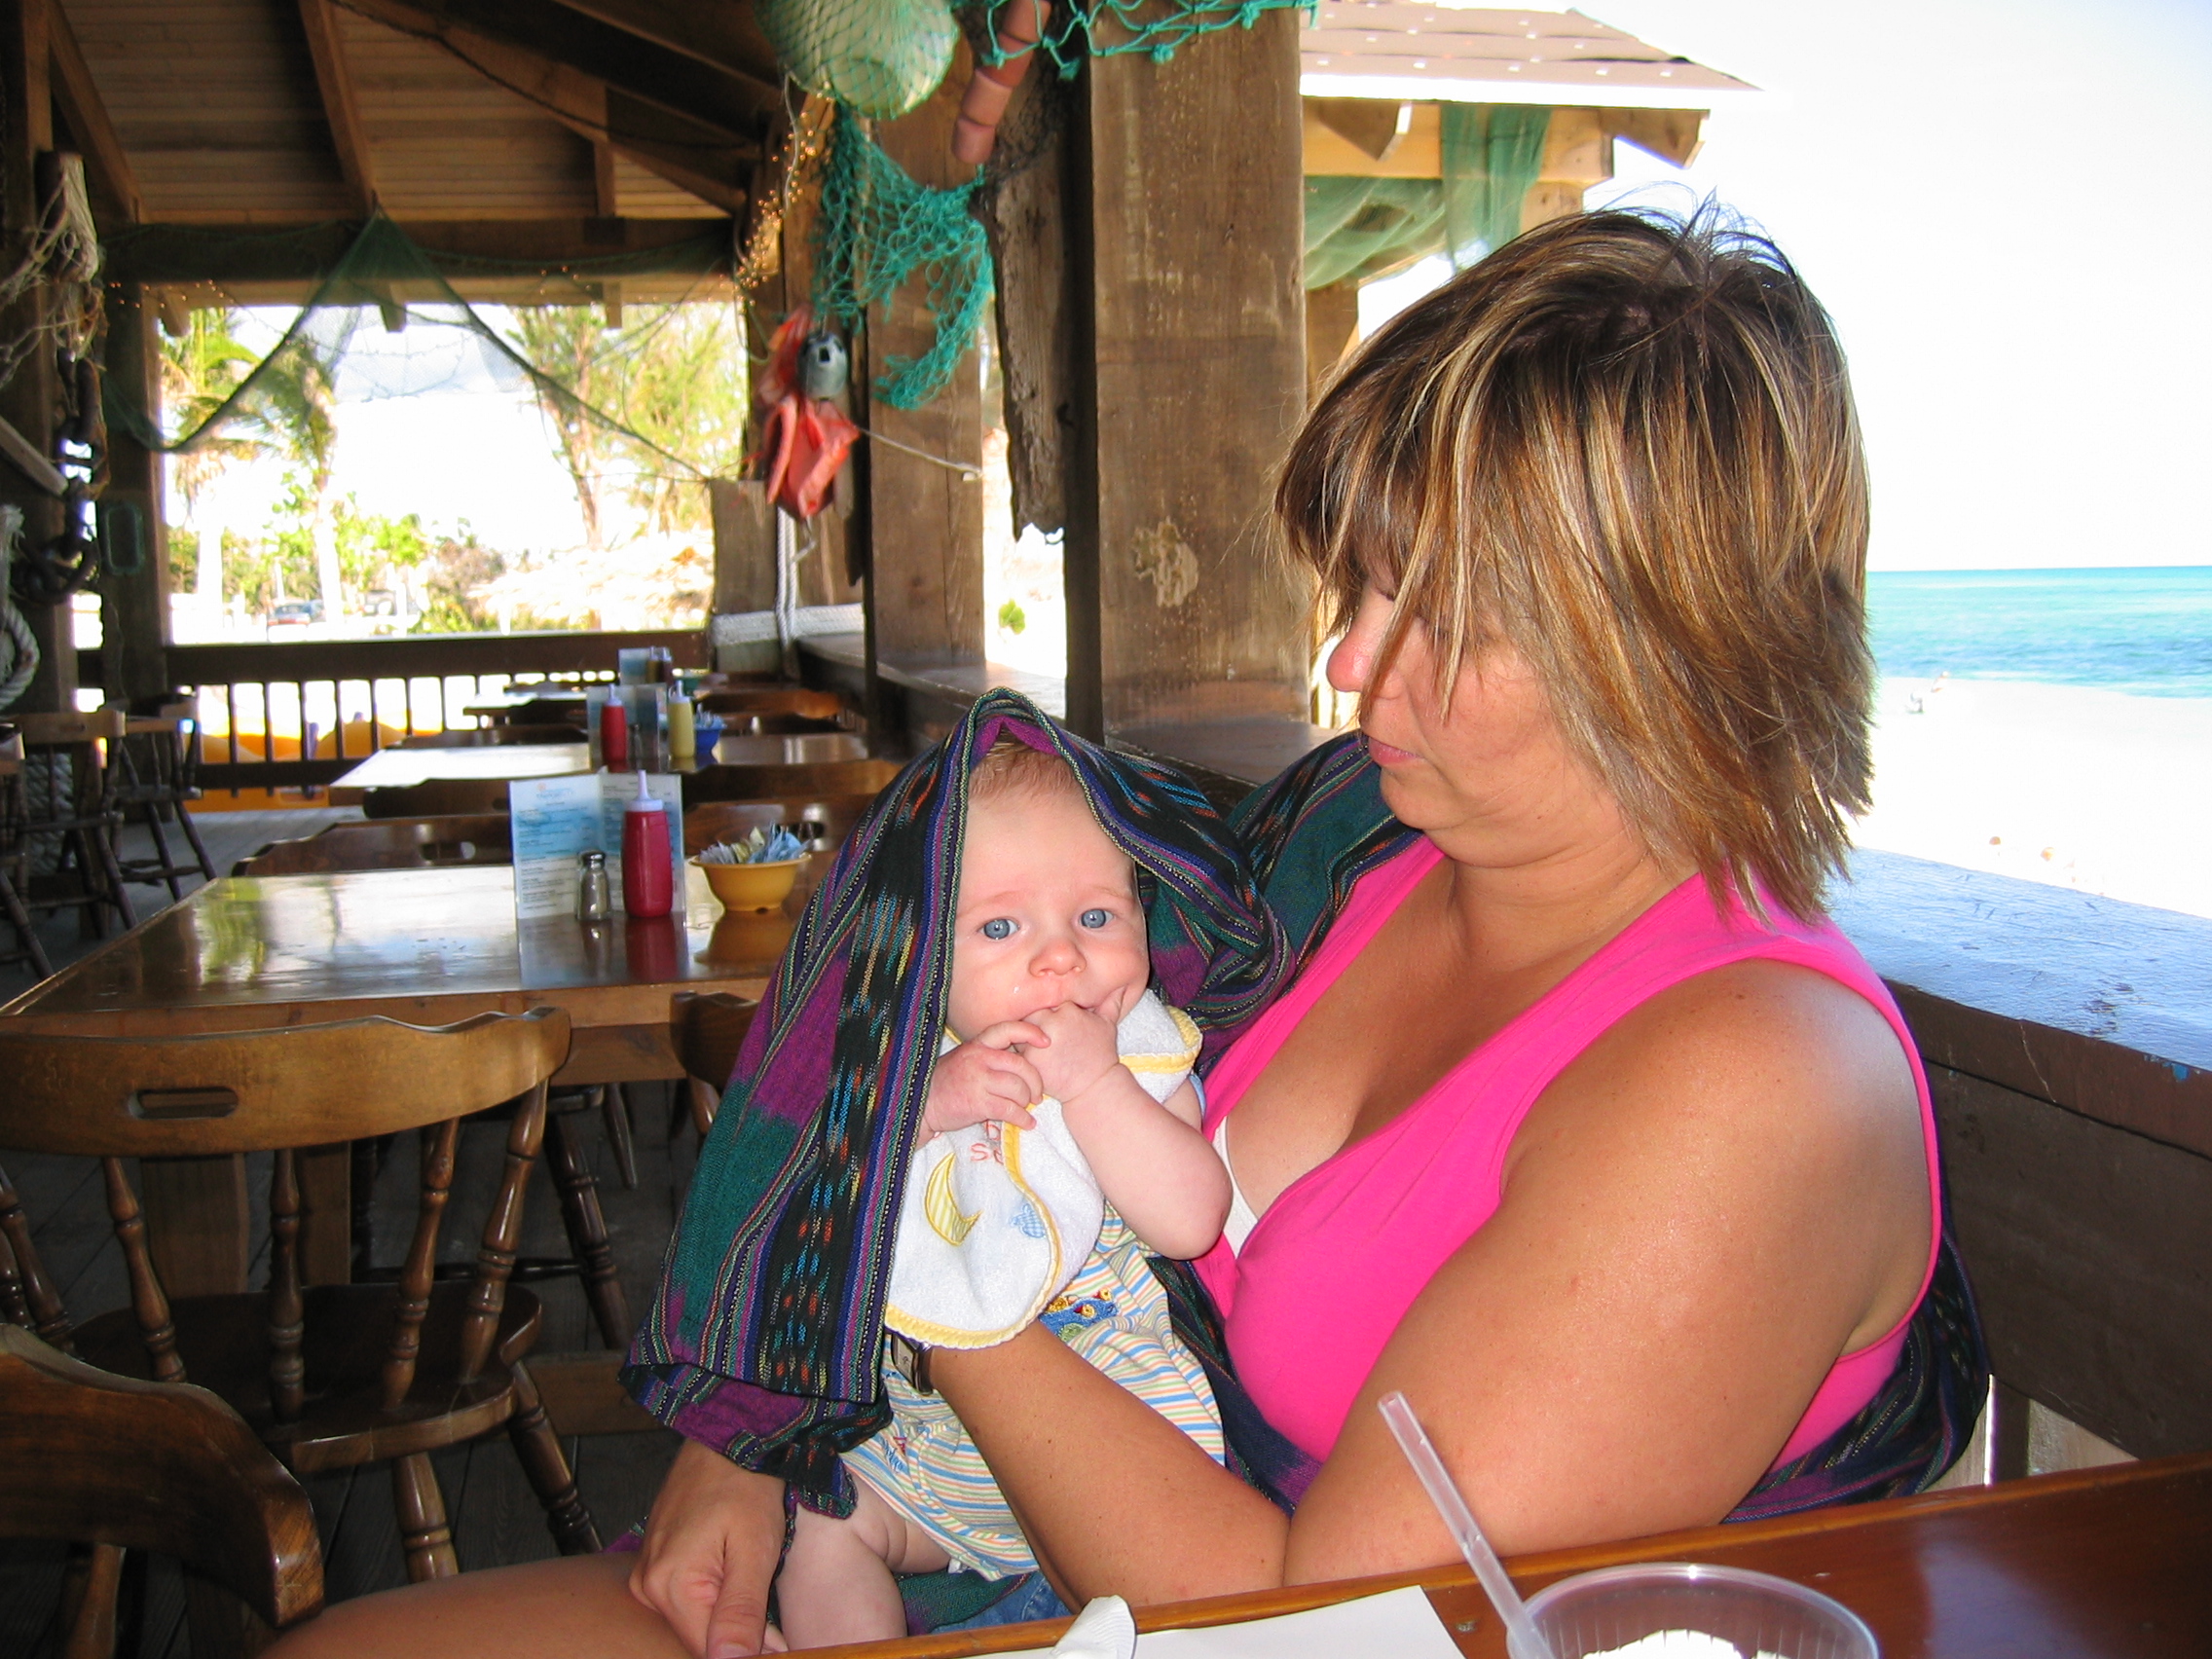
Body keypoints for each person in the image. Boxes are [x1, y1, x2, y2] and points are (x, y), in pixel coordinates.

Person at [268, 207, 1980, 1659]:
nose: (1350, 661)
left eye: (1443, 613)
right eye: (1358, 579)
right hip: (961, 1518)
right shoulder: (1346, 847)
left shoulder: (1750, 1084)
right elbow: (920, 983)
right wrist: (756, 1423)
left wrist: (923, 1277)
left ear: (1667, 648)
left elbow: (1331, 1625)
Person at [776, 738, 1232, 1646]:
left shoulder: (1136, 1056)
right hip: (926, 1442)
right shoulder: (909, 1064)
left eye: (1096, 917)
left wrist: (1096, 1086)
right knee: (821, 1522)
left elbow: (1190, 1221)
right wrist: (919, 1111)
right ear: (922, 959)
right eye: (999, 929)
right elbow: (825, 1204)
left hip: (1106, 1434)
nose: (1060, 958)